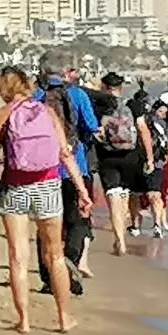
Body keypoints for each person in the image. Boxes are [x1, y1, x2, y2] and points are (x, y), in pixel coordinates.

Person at [0, 66, 91, 334]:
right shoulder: (47, 112)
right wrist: (82, 190)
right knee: (56, 255)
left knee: (18, 256)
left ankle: (24, 321)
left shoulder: (1, 115)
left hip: (15, 187)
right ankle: (64, 318)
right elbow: (65, 154)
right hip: (48, 186)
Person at [32, 51, 99, 295]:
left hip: (43, 169)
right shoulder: (78, 94)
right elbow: (91, 126)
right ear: (66, 71)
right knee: (77, 221)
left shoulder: (37, 96)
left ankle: (48, 276)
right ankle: (69, 259)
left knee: (45, 226)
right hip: (75, 167)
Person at [95, 72, 155, 256]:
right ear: (121, 88)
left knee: (113, 198)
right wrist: (150, 158)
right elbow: (143, 131)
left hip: (107, 157)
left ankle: (119, 240)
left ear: (104, 87)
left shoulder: (98, 106)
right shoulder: (133, 105)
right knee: (123, 197)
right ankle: (121, 237)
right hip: (130, 157)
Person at [131, 101, 168, 236]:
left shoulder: (161, 124)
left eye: (165, 112)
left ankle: (150, 225)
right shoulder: (155, 124)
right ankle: (145, 225)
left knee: (148, 194)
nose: (163, 115)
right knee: (144, 194)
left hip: (150, 161)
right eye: (161, 111)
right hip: (148, 161)